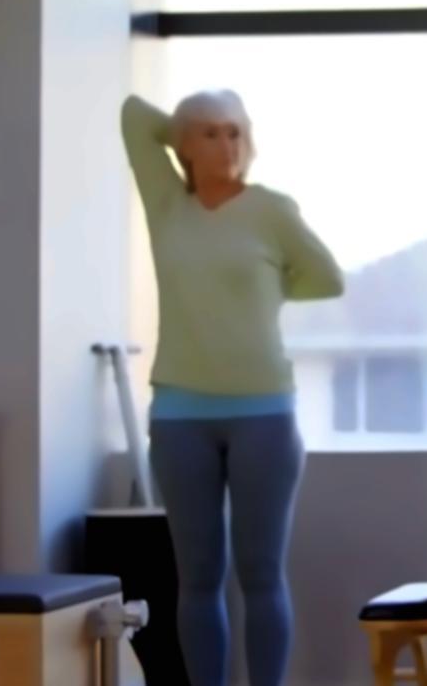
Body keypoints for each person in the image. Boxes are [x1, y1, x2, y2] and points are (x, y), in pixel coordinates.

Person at [122, 91, 344, 686]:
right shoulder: (167, 202)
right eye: (212, 134)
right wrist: (179, 131)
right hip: (179, 415)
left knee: (261, 572)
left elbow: (327, 279)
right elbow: (132, 116)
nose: (228, 146)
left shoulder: (271, 210)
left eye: (236, 133)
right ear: (186, 145)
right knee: (197, 576)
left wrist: (263, 292)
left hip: (264, 414)